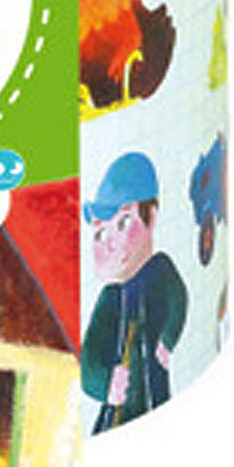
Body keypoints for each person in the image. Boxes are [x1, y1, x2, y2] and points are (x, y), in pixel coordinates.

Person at [81, 152, 187, 432]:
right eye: (100, 234)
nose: (110, 244)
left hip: (156, 398)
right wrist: (105, 384)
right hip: (117, 413)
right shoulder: (110, 299)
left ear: (150, 217)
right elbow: (89, 359)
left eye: (124, 223)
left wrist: (168, 339)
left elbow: (178, 298)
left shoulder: (160, 270)